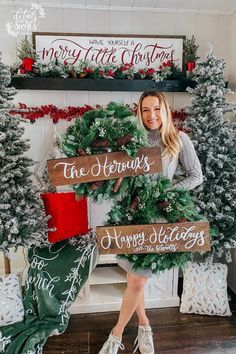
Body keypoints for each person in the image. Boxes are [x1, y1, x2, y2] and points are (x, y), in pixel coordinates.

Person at [98, 91, 203, 354]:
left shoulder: (178, 139)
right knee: (137, 279)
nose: (151, 115)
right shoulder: (131, 141)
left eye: (156, 109)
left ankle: (116, 333)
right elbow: (119, 177)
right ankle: (144, 325)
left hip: (160, 219)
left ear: (165, 110)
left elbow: (195, 175)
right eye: (146, 109)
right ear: (140, 112)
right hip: (132, 216)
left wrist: (169, 191)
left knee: (138, 280)